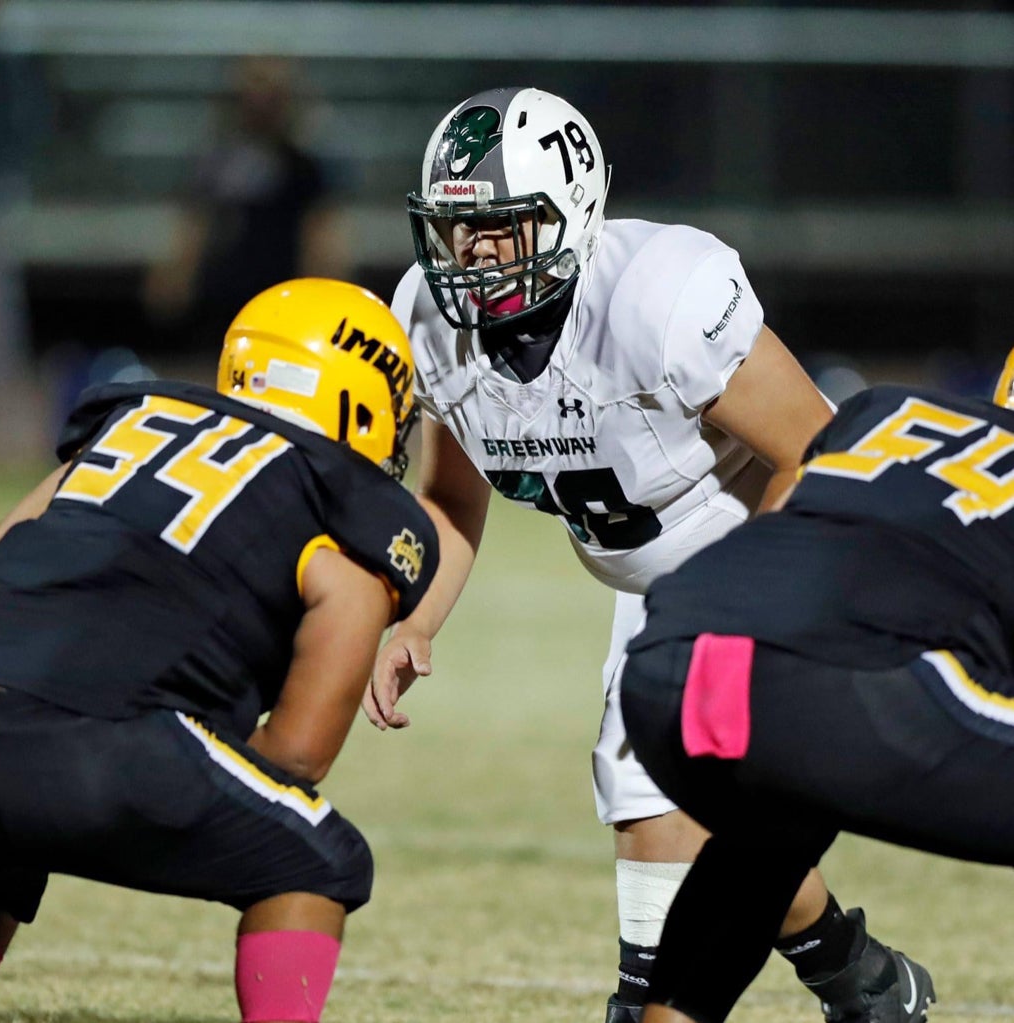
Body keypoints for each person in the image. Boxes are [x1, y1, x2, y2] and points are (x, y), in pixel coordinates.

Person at [365, 84, 928, 1022]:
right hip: (660, 575)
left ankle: (648, 997)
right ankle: (857, 975)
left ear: (572, 211)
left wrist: (755, 597)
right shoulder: (433, 319)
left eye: (506, 227)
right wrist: (416, 619)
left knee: (649, 767)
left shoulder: (655, 297)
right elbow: (453, 493)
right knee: (703, 798)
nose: (478, 256)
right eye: (463, 230)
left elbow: (821, 452)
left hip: (769, 536)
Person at [0, 278, 437, 1023]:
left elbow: (6, 553)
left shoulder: (129, 425)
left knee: (7, 819)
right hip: (104, 744)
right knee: (320, 855)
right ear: (361, 402)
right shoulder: (343, 512)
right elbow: (294, 756)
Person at [616, 361, 1014, 1023]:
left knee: (769, 830)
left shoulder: (880, 409)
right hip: (820, 682)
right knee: (788, 787)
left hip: (670, 665)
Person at [144, 56, 352, 352]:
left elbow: (320, 238)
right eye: (254, 84)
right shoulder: (215, 160)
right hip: (220, 302)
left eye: (270, 88)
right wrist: (174, 279)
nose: (261, 98)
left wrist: (328, 299)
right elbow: (193, 226)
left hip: (281, 304)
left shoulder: (305, 166)